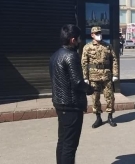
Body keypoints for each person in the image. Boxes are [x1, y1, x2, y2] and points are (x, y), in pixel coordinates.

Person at [49, 24, 94, 164]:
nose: (80, 41)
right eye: (79, 38)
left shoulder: (54, 55)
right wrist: (90, 89)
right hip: (71, 106)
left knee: (62, 141)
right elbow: (78, 83)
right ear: (73, 40)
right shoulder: (71, 56)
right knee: (70, 146)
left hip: (60, 104)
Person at [81, 26, 119, 128]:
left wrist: (115, 74)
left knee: (110, 97)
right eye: (97, 33)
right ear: (92, 35)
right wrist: (85, 77)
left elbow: (114, 60)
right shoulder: (87, 47)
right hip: (93, 76)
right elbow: (84, 63)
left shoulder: (108, 46)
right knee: (95, 98)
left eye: (100, 33)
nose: (99, 35)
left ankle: (110, 117)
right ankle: (98, 118)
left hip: (106, 75)